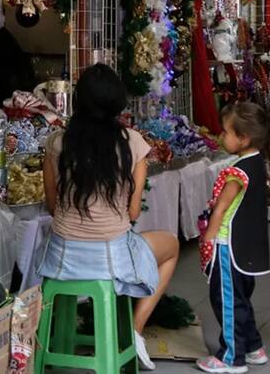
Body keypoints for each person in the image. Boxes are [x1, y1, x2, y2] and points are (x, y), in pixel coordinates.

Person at [37, 64, 179, 371]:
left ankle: (58, 346)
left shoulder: (58, 142)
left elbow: (51, 206)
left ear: (79, 100)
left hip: (61, 257)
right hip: (112, 260)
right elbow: (132, 212)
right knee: (171, 246)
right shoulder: (133, 143)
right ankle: (136, 330)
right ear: (118, 102)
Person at [196, 102, 270, 374]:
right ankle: (253, 346)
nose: (220, 136)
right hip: (247, 249)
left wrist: (208, 238)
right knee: (240, 298)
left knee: (226, 300)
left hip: (228, 246)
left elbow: (221, 208)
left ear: (243, 138)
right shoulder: (257, 163)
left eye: (225, 132)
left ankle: (231, 357)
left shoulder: (235, 173)